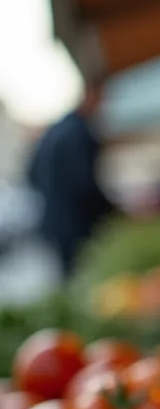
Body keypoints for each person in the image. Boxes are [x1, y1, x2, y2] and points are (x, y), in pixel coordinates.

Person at [26, 78, 117, 278]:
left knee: (68, 277)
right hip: (75, 224)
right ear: (90, 95)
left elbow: (30, 174)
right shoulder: (79, 132)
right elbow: (84, 184)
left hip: (52, 222)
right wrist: (112, 211)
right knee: (84, 277)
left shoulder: (55, 130)